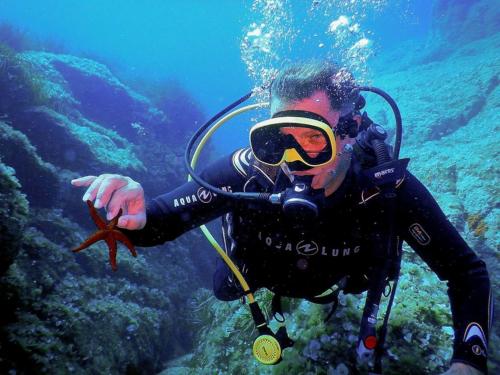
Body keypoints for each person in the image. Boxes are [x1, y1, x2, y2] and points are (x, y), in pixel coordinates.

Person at [71, 62, 492, 374]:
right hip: (262, 273)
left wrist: (468, 360)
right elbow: (159, 222)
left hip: (340, 278)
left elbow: (466, 271)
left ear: (348, 131)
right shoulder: (250, 171)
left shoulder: (384, 188)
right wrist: (134, 214)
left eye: (313, 139)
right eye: (277, 140)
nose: (293, 161)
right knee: (225, 287)